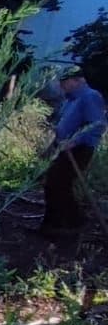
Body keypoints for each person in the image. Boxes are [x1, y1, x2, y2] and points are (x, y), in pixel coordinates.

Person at [39, 65, 106, 235]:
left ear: (78, 80)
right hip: (64, 147)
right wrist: (51, 145)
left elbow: (97, 125)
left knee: (58, 183)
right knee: (51, 182)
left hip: (80, 149)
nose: (62, 86)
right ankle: (50, 225)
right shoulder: (70, 100)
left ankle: (75, 223)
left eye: (65, 82)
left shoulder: (90, 97)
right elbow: (62, 126)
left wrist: (75, 141)